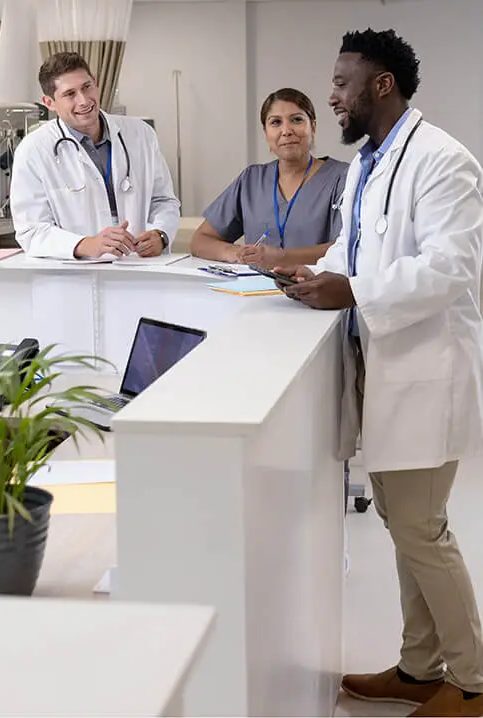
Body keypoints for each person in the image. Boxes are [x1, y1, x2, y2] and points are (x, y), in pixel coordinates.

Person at [278, 29, 483, 717]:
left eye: (342, 82)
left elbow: (453, 267)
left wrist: (355, 289)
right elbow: (356, 244)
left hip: (429, 366)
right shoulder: (371, 162)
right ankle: (422, 667)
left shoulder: (443, 160)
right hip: (384, 366)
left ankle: (474, 680)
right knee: (401, 520)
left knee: (422, 527)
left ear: (381, 84)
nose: (332, 95)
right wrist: (320, 272)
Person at [10, 52, 180, 260]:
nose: (83, 100)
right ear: (49, 103)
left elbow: (164, 200)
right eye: (70, 94)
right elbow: (31, 230)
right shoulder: (33, 150)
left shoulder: (140, 134)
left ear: (96, 83)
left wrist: (161, 234)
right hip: (76, 278)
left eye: (87, 87)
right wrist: (86, 245)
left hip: (140, 268)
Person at [190, 88, 348, 268]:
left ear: (313, 126)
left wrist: (281, 257)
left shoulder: (342, 178)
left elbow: (347, 249)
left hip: (314, 291)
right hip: (254, 290)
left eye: (297, 120)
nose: (286, 131)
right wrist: (237, 253)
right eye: (275, 122)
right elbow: (200, 240)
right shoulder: (252, 180)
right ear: (266, 133)